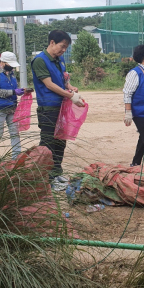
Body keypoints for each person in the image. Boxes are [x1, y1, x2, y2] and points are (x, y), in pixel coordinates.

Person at [31, 30, 84, 182]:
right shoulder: (40, 60)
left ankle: (56, 174)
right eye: (62, 46)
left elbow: (64, 80)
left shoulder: (60, 60)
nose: (64, 50)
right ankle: (42, 178)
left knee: (61, 141)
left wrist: (71, 88)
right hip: (48, 109)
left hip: (61, 108)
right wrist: (70, 96)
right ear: (52, 42)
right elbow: (49, 84)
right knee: (48, 143)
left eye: (66, 47)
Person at [0, 52, 25, 161]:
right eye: (10, 64)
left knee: (15, 133)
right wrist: (13, 92)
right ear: (3, 62)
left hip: (12, 108)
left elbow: (15, 87)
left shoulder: (12, 73)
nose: (12, 66)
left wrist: (21, 91)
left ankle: (16, 158)